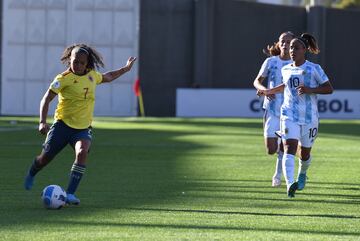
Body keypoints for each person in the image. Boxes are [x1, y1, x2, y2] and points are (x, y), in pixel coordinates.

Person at [24, 43, 137, 205]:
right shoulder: (63, 79)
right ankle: (32, 173)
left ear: (87, 64)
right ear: (70, 60)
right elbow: (46, 99)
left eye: (81, 63)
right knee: (45, 158)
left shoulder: (92, 76)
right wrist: (42, 121)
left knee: (82, 151)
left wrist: (125, 69)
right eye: (75, 61)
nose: (77, 65)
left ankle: (70, 193)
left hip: (82, 129)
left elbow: (109, 76)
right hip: (62, 126)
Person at [260, 33, 333, 197]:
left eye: (296, 47)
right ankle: (289, 184)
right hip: (289, 114)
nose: (292, 50)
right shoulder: (285, 69)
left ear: (304, 50)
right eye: (291, 47)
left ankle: (302, 174)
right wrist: (267, 91)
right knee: (289, 147)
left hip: (309, 117)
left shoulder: (314, 69)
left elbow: (329, 88)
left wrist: (310, 90)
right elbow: (285, 86)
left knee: (305, 153)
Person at [253, 31, 295, 187]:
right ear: (279, 43)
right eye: (282, 41)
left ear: (293, 45)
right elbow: (257, 81)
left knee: (285, 144)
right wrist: (264, 89)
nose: (285, 44)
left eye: (288, 42)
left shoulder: (296, 64)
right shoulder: (270, 62)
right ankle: (281, 152)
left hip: (290, 110)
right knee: (271, 149)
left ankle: (277, 175)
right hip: (271, 110)